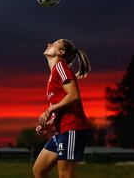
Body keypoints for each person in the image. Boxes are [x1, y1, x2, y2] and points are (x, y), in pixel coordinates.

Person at [33, 39, 91, 178]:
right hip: (61, 131)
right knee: (39, 170)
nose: (48, 44)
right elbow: (64, 106)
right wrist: (50, 125)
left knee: (65, 176)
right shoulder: (54, 73)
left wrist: (49, 111)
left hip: (72, 129)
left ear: (61, 52)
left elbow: (74, 96)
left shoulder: (61, 68)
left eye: (54, 43)